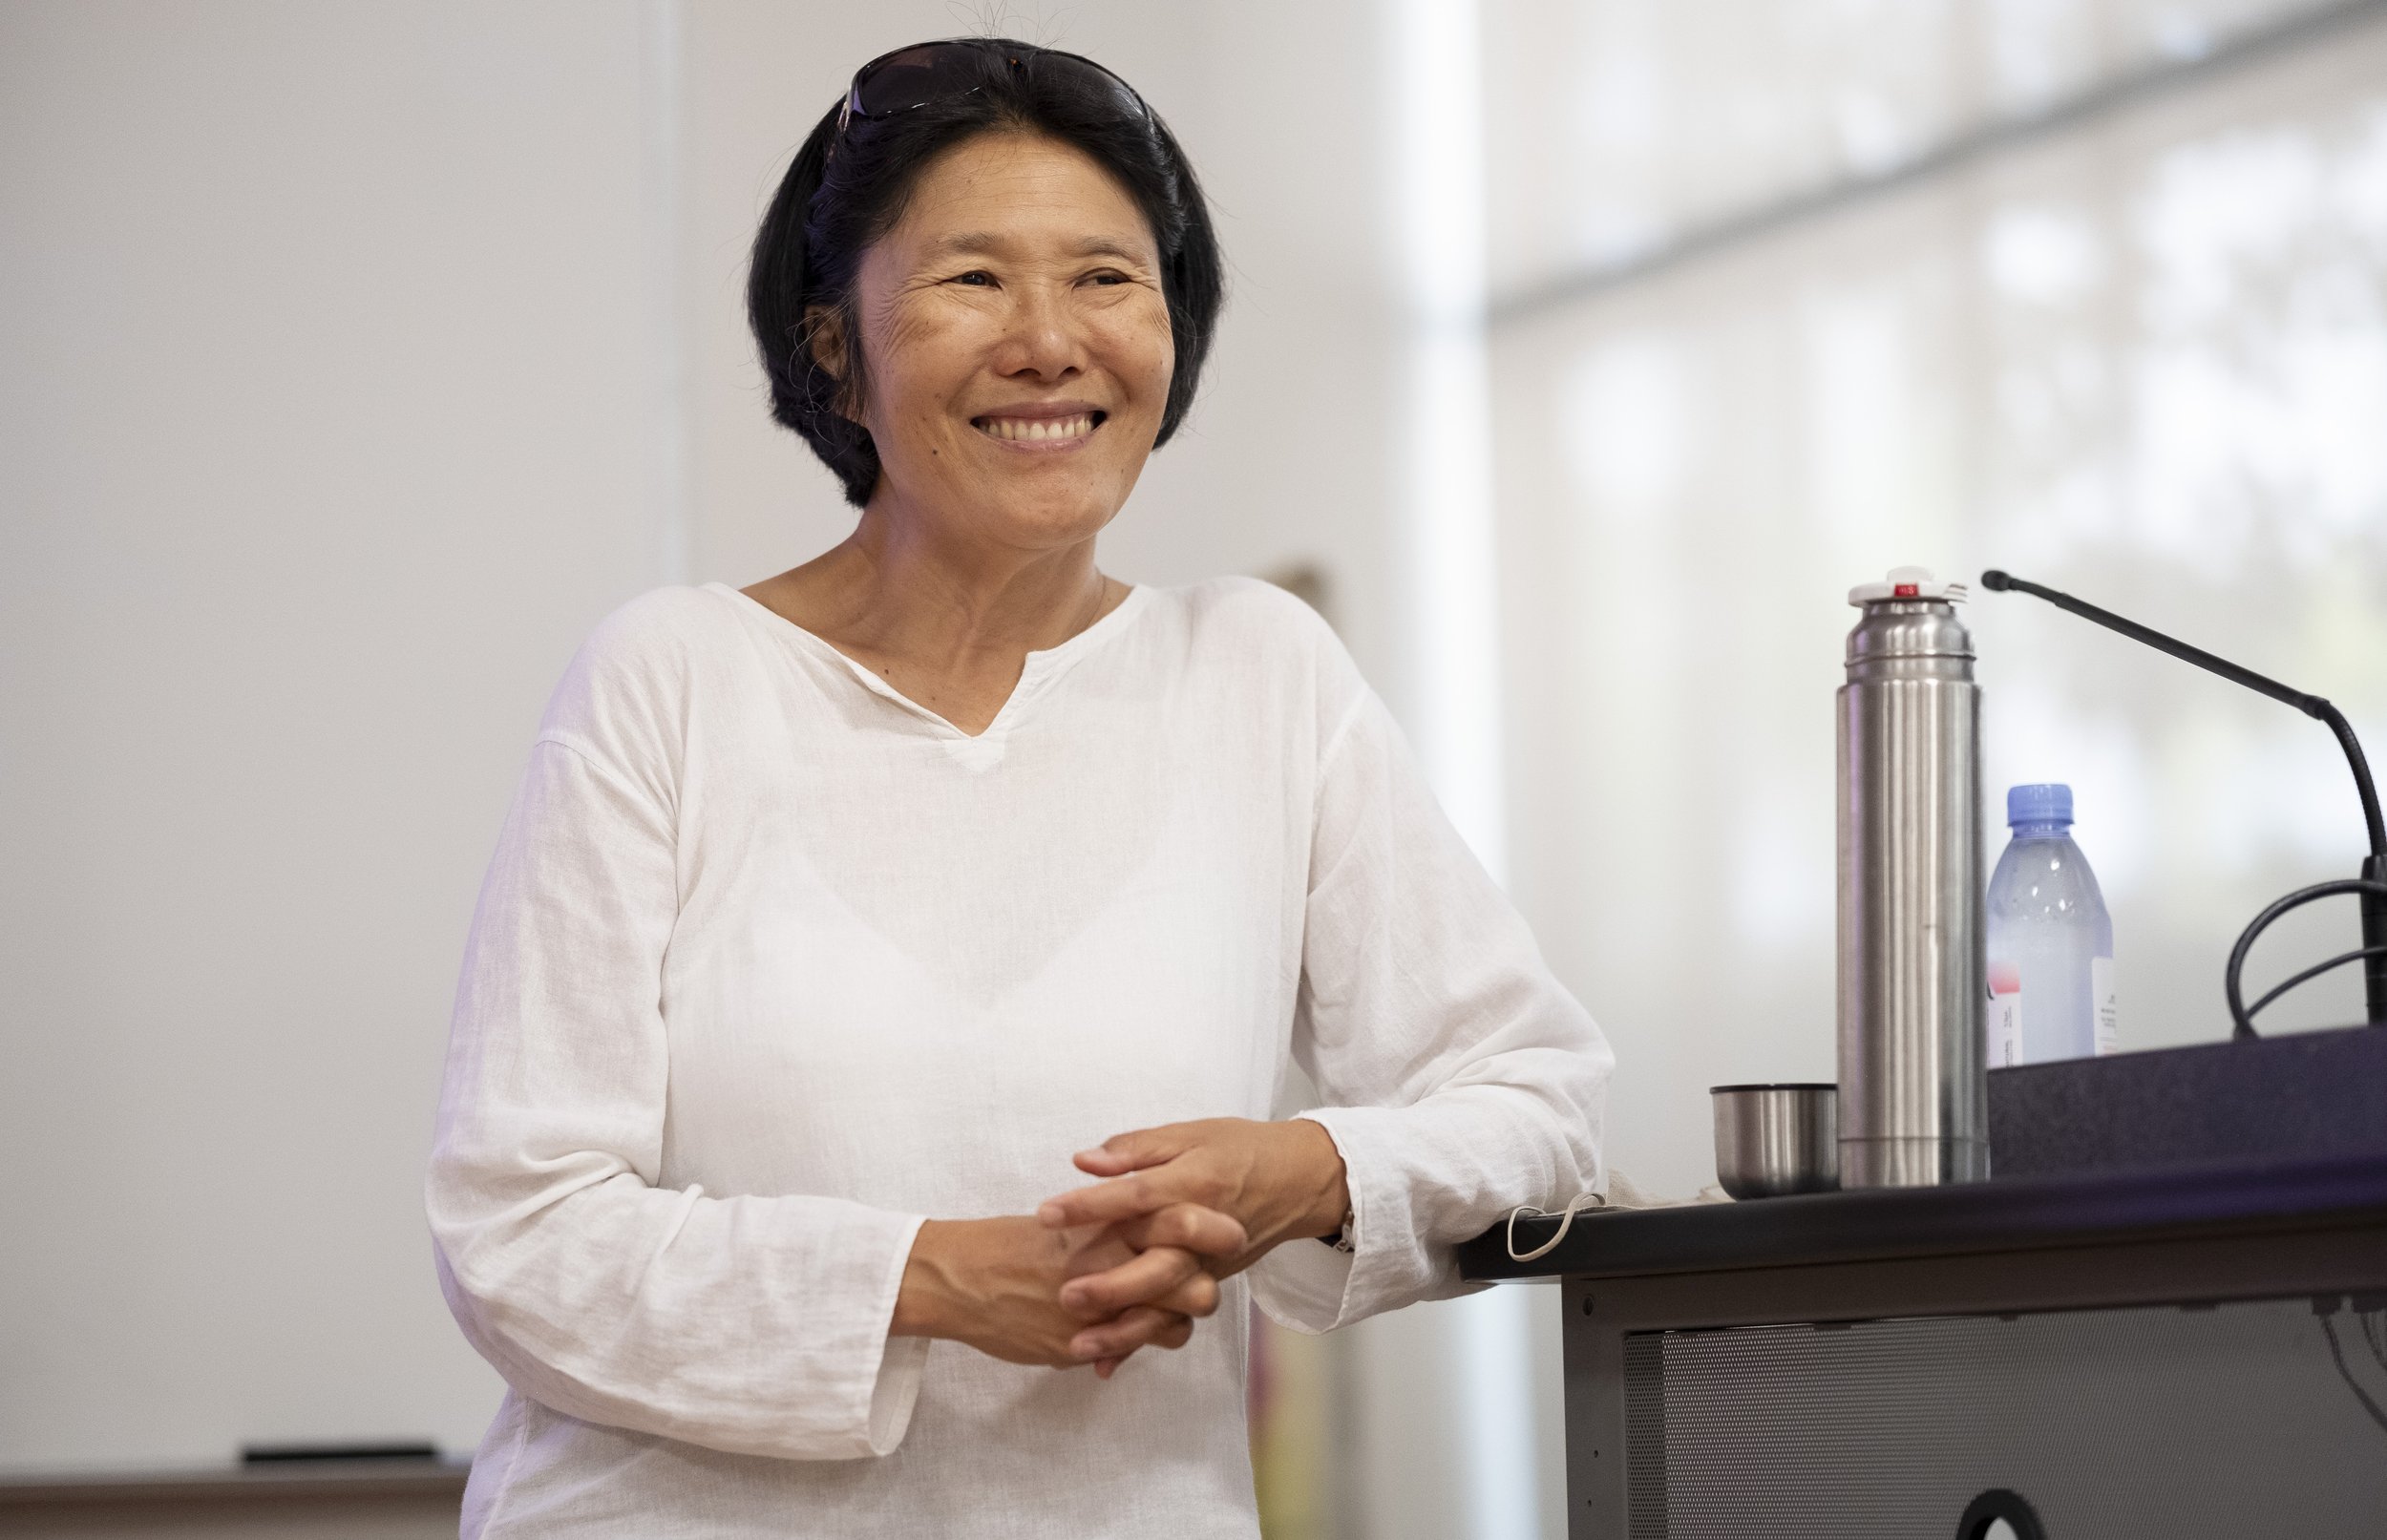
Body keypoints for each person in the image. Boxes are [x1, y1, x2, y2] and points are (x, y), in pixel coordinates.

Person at [426, 36, 1609, 1539]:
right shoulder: (670, 679)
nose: (1051, 342)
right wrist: (931, 1280)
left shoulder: (1257, 670)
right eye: (973, 279)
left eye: (1109, 278)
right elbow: (517, 1233)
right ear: (834, 346)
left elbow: (1541, 1101)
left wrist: (1300, 1168)